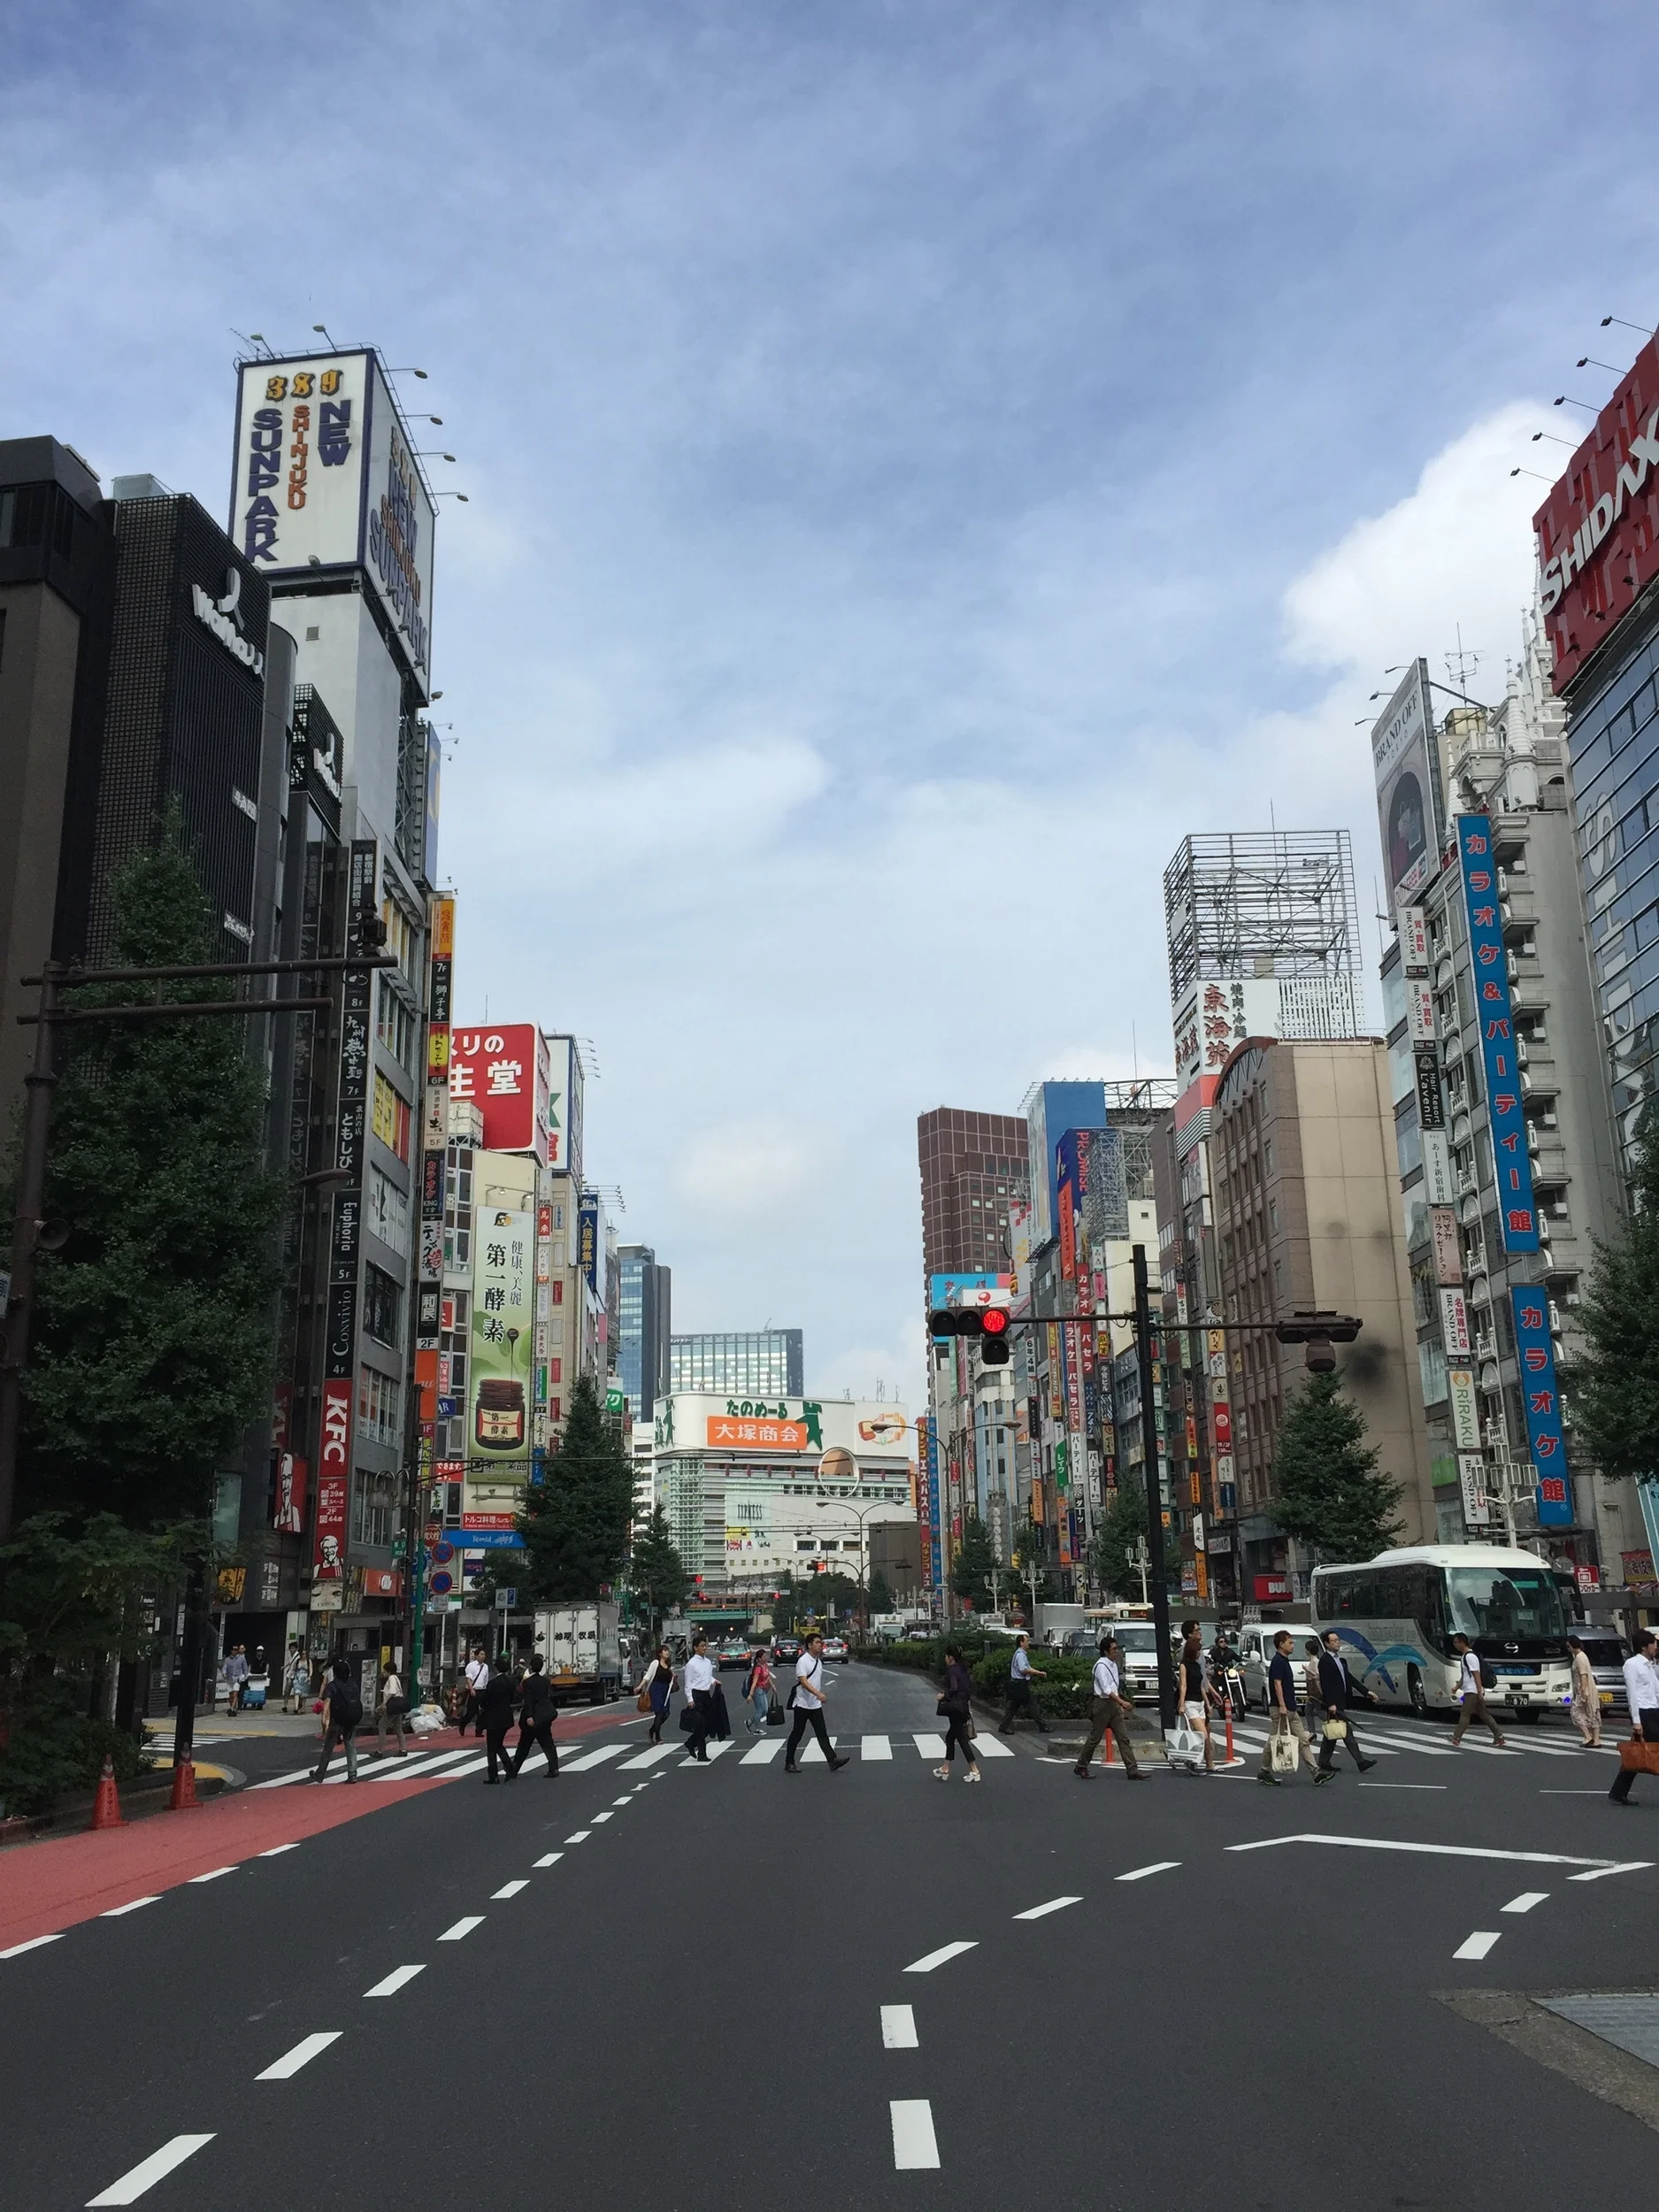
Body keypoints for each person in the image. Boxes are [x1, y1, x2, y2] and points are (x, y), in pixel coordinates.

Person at [1315, 1630, 1379, 1782]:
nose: (1338, 1643)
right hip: (1334, 1704)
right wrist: (1331, 1704)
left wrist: (1366, 1692)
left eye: (1338, 1640)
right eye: (1334, 1641)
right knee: (1345, 1733)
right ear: (1327, 1643)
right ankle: (1360, 1761)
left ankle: (1324, 1761)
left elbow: (1349, 1679)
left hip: (1340, 1702)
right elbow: (1326, 1684)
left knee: (1332, 1735)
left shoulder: (1340, 1661)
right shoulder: (1325, 1661)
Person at [1076, 1635, 1143, 1779]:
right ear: (1106, 1652)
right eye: (1114, 1649)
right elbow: (1106, 1689)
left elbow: (1114, 1686)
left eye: (1117, 1648)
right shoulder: (1101, 1666)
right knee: (1095, 1738)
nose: (1117, 1651)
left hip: (1113, 1705)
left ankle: (1132, 1770)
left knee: (1123, 1737)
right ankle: (1081, 1765)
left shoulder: (1113, 1664)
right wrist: (1122, 1702)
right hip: (1102, 1704)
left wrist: (1118, 1701)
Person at [1257, 1629, 1318, 1786]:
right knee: (1274, 1741)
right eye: (1290, 1643)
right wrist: (1282, 1705)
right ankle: (1264, 1770)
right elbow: (1277, 1685)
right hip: (1280, 1709)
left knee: (1303, 1740)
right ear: (1281, 1644)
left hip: (1291, 1709)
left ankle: (1316, 1772)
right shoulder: (1278, 1661)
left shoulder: (1284, 1661)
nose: (1293, 1646)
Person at [1608, 1628, 1659, 1806]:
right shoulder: (1632, 1664)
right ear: (1645, 1646)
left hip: (1654, 1711)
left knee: (1636, 1752)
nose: (1656, 1646)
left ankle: (1618, 1792)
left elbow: (1656, 1690)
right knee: (1648, 1751)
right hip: (1644, 1713)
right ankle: (1618, 1792)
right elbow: (1632, 1694)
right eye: (1654, 1643)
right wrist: (1636, 1721)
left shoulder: (1651, 1664)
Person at [785, 1632, 849, 1772]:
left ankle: (832, 1760)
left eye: (821, 1643)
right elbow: (803, 1682)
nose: (820, 1645)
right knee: (797, 1734)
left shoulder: (818, 1662)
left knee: (822, 1733)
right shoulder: (803, 1661)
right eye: (817, 1643)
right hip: (802, 1704)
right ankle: (789, 1762)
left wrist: (817, 1697)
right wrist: (818, 1694)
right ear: (809, 1645)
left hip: (815, 1705)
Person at [1450, 1632, 1509, 1749]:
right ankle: (1499, 1737)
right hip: (1473, 1691)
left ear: (1462, 1642)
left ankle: (1456, 1737)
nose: (1455, 1645)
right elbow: (1465, 1675)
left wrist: (1479, 1691)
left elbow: (1476, 1674)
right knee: (1484, 1715)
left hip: (1472, 1692)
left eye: (1456, 1642)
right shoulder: (1466, 1656)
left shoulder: (1470, 1657)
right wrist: (1456, 1687)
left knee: (1465, 1714)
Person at [936, 1642, 982, 1781]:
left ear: (951, 1657)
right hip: (962, 1707)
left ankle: (974, 1770)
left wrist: (943, 1695)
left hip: (955, 1708)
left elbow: (954, 1688)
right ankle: (945, 1768)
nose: (945, 1658)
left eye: (946, 1655)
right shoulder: (963, 1669)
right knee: (951, 1737)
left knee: (961, 1739)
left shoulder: (952, 1670)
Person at [311, 1659, 362, 1782]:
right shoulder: (353, 1684)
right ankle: (352, 1774)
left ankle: (320, 1774)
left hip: (337, 1720)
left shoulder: (332, 1686)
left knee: (328, 1748)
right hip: (351, 1719)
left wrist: (324, 1721)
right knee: (350, 1746)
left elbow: (327, 1703)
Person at [511, 1653, 561, 1777]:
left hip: (532, 1716)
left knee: (524, 1745)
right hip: (544, 1716)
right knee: (548, 1743)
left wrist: (529, 1716)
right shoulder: (546, 1681)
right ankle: (554, 1768)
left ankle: (514, 1769)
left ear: (531, 1667)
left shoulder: (528, 1682)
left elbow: (528, 1701)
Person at [1177, 1627, 1215, 1774]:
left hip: (1199, 1702)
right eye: (1197, 1650)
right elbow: (1183, 1685)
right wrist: (1181, 1704)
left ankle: (1207, 1764)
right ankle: (1193, 1760)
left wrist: (1207, 1703)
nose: (1199, 1653)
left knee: (1203, 1735)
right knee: (1202, 1735)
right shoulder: (1184, 1666)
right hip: (1190, 1703)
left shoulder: (1197, 1666)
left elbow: (1201, 1684)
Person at [480, 1655, 520, 1782]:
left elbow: (485, 1700)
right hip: (506, 1716)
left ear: (496, 1669)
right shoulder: (510, 1682)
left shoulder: (492, 1683)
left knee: (492, 1747)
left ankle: (494, 1775)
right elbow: (514, 1697)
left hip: (493, 1717)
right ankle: (509, 1767)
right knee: (498, 1744)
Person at [999, 1632, 1048, 1735]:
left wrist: (1039, 1672)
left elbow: (1028, 1668)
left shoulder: (1020, 1654)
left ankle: (1004, 1726)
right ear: (1021, 1643)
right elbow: (1024, 1670)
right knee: (1030, 1705)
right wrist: (1039, 1673)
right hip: (1020, 1684)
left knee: (1016, 1707)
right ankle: (1042, 1725)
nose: (1028, 1643)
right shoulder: (1020, 1655)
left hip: (1020, 1684)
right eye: (1027, 1641)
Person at [682, 1634, 717, 1762]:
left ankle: (690, 1743)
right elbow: (688, 1683)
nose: (704, 1648)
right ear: (695, 1648)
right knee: (701, 1726)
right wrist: (690, 1699)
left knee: (708, 1725)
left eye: (705, 1645)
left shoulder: (707, 1662)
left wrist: (714, 1681)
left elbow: (707, 1677)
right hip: (696, 1695)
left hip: (706, 1694)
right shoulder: (691, 1664)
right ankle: (702, 1754)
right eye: (702, 1646)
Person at [1568, 1634, 1603, 1748]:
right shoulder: (1581, 1656)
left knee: (1576, 1712)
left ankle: (1588, 1736)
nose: (1568, 1649)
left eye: (1568, 1647)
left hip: (1584, 1689)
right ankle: (1596, 1739)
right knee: (1592, 1712)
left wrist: (1583, 1691)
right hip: (1587, 1688)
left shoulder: (1579, 1657)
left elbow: (1583, 1674)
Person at [639, 1644, 675, 1744]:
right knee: (659, 1713)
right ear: (660, 1653)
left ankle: (651, 1731)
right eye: (665, 1650)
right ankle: (658, 1737)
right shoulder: (655, 1663)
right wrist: (640, 1686)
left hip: (665, 1690)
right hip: (656, 1689)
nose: (667, 1652)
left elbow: (669, 1677)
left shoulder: (668, 1665)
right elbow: (648, 1676)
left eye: (667, 1650)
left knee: (666, 1713)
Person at [373, 1663, 410, 1758]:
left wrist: (384, 1703)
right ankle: (403, 1749)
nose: (383, 1673)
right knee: (398, 1728)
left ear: (388, 1671)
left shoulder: (391, 1678)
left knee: (382, 1726)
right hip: (398, 1707)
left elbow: (392, 1692)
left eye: (384, 1671)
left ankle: (379, 1751)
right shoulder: (396, 1678)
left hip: (393, 1706)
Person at [460, 1646, 490, 1736]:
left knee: (482, 1712)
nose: (483, 1656)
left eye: (484, 1654)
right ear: (476, 1655)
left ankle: (479, 1731)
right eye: (481, 1654)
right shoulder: (471, 1666)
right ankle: (463, 1723)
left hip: (482, 1690)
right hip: (474, 1691)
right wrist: (471, 1689)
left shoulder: (485, 1667)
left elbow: (486, 1679)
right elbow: (469, 1679)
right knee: (471, 1712)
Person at [745, 1647, 774, 1736]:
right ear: (759, 1659)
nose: (766, 1657)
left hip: (763, 1690)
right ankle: (757, 1728)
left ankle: (749, 1722)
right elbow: (754, 1682)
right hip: (757, 1690)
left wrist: (772, 1686)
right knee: (760, 1710)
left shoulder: (765, 1665)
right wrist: (750, 1694)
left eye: (766, 1656)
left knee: (765, 1710)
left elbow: (768, 1676)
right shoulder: (758, 1668)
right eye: (764, 1656)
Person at [1301, 1638, 1325, 1734]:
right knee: (1308, 1711)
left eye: (1306, 1649)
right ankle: (1312, 1732)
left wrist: (1307, 1670)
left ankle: (1331, 1724)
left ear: (1309, 1650)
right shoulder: (1313, 1661)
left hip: (1315, 1691)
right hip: (1311, 1691)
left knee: (1319, 1713)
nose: (1305, 1651)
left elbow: (1317, 1675)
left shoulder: (1315, 1662)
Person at [284, 1642, 311, 1716]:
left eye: (305, 1654)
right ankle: (294, 1707)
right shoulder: (295, 1659)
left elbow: (311, 1670)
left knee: (303, 1694)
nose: (304, 1655)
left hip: (304, 1679)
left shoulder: (306, 1660)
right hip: (296, 1677)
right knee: (294, 1692)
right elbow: (292, 1667)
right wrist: (289, 1675)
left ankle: (302, 1707)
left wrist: (309, 1677)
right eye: (303, 1654)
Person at [223, 1643, 250, 1715]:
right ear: (231, 1651)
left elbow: (245, 1669)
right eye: (233, 1650)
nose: (235, 1651)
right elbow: (224, 1668)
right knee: (231, 1695)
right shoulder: (227, 1660)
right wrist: (224, 1674)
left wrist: (244, 1677)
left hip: (237, 1679)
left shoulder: (241, 1658)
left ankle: (233, 1709)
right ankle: (232, 1706)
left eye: (236, 1650)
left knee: (235, 1694)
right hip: (229, 1679)